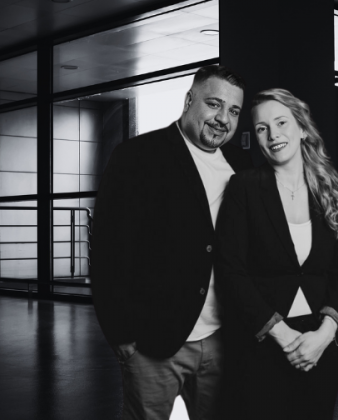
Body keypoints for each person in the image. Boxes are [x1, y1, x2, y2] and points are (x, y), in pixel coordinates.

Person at [90, 65, 251, 420]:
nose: (223, 118)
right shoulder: (137, 156)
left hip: (222, 340)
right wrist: (121, 335)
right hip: (153, 343)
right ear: (189, 100)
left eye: (233, 110)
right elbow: (107, 250)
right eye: (214, 104)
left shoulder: (241, 167)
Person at [215, 88, 338, 419]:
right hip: (262, 344)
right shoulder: (244, 187)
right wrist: (281, 334)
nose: (273, 134)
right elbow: (231, 270)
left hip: (322, 344)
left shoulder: (336, 192)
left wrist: (325, 334)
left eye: (281, 122)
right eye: (262, 128)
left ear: (302, 128)